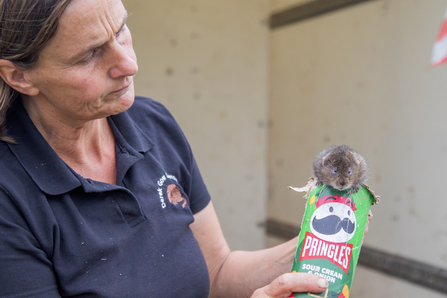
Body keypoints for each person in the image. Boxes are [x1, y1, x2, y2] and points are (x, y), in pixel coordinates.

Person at [0, 0, 369, 297]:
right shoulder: (8, 194)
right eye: (89, 55)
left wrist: (321, 242)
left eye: (121, 29)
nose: (128, 64)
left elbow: (217, 272)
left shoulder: (152, 123)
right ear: (18, 75)